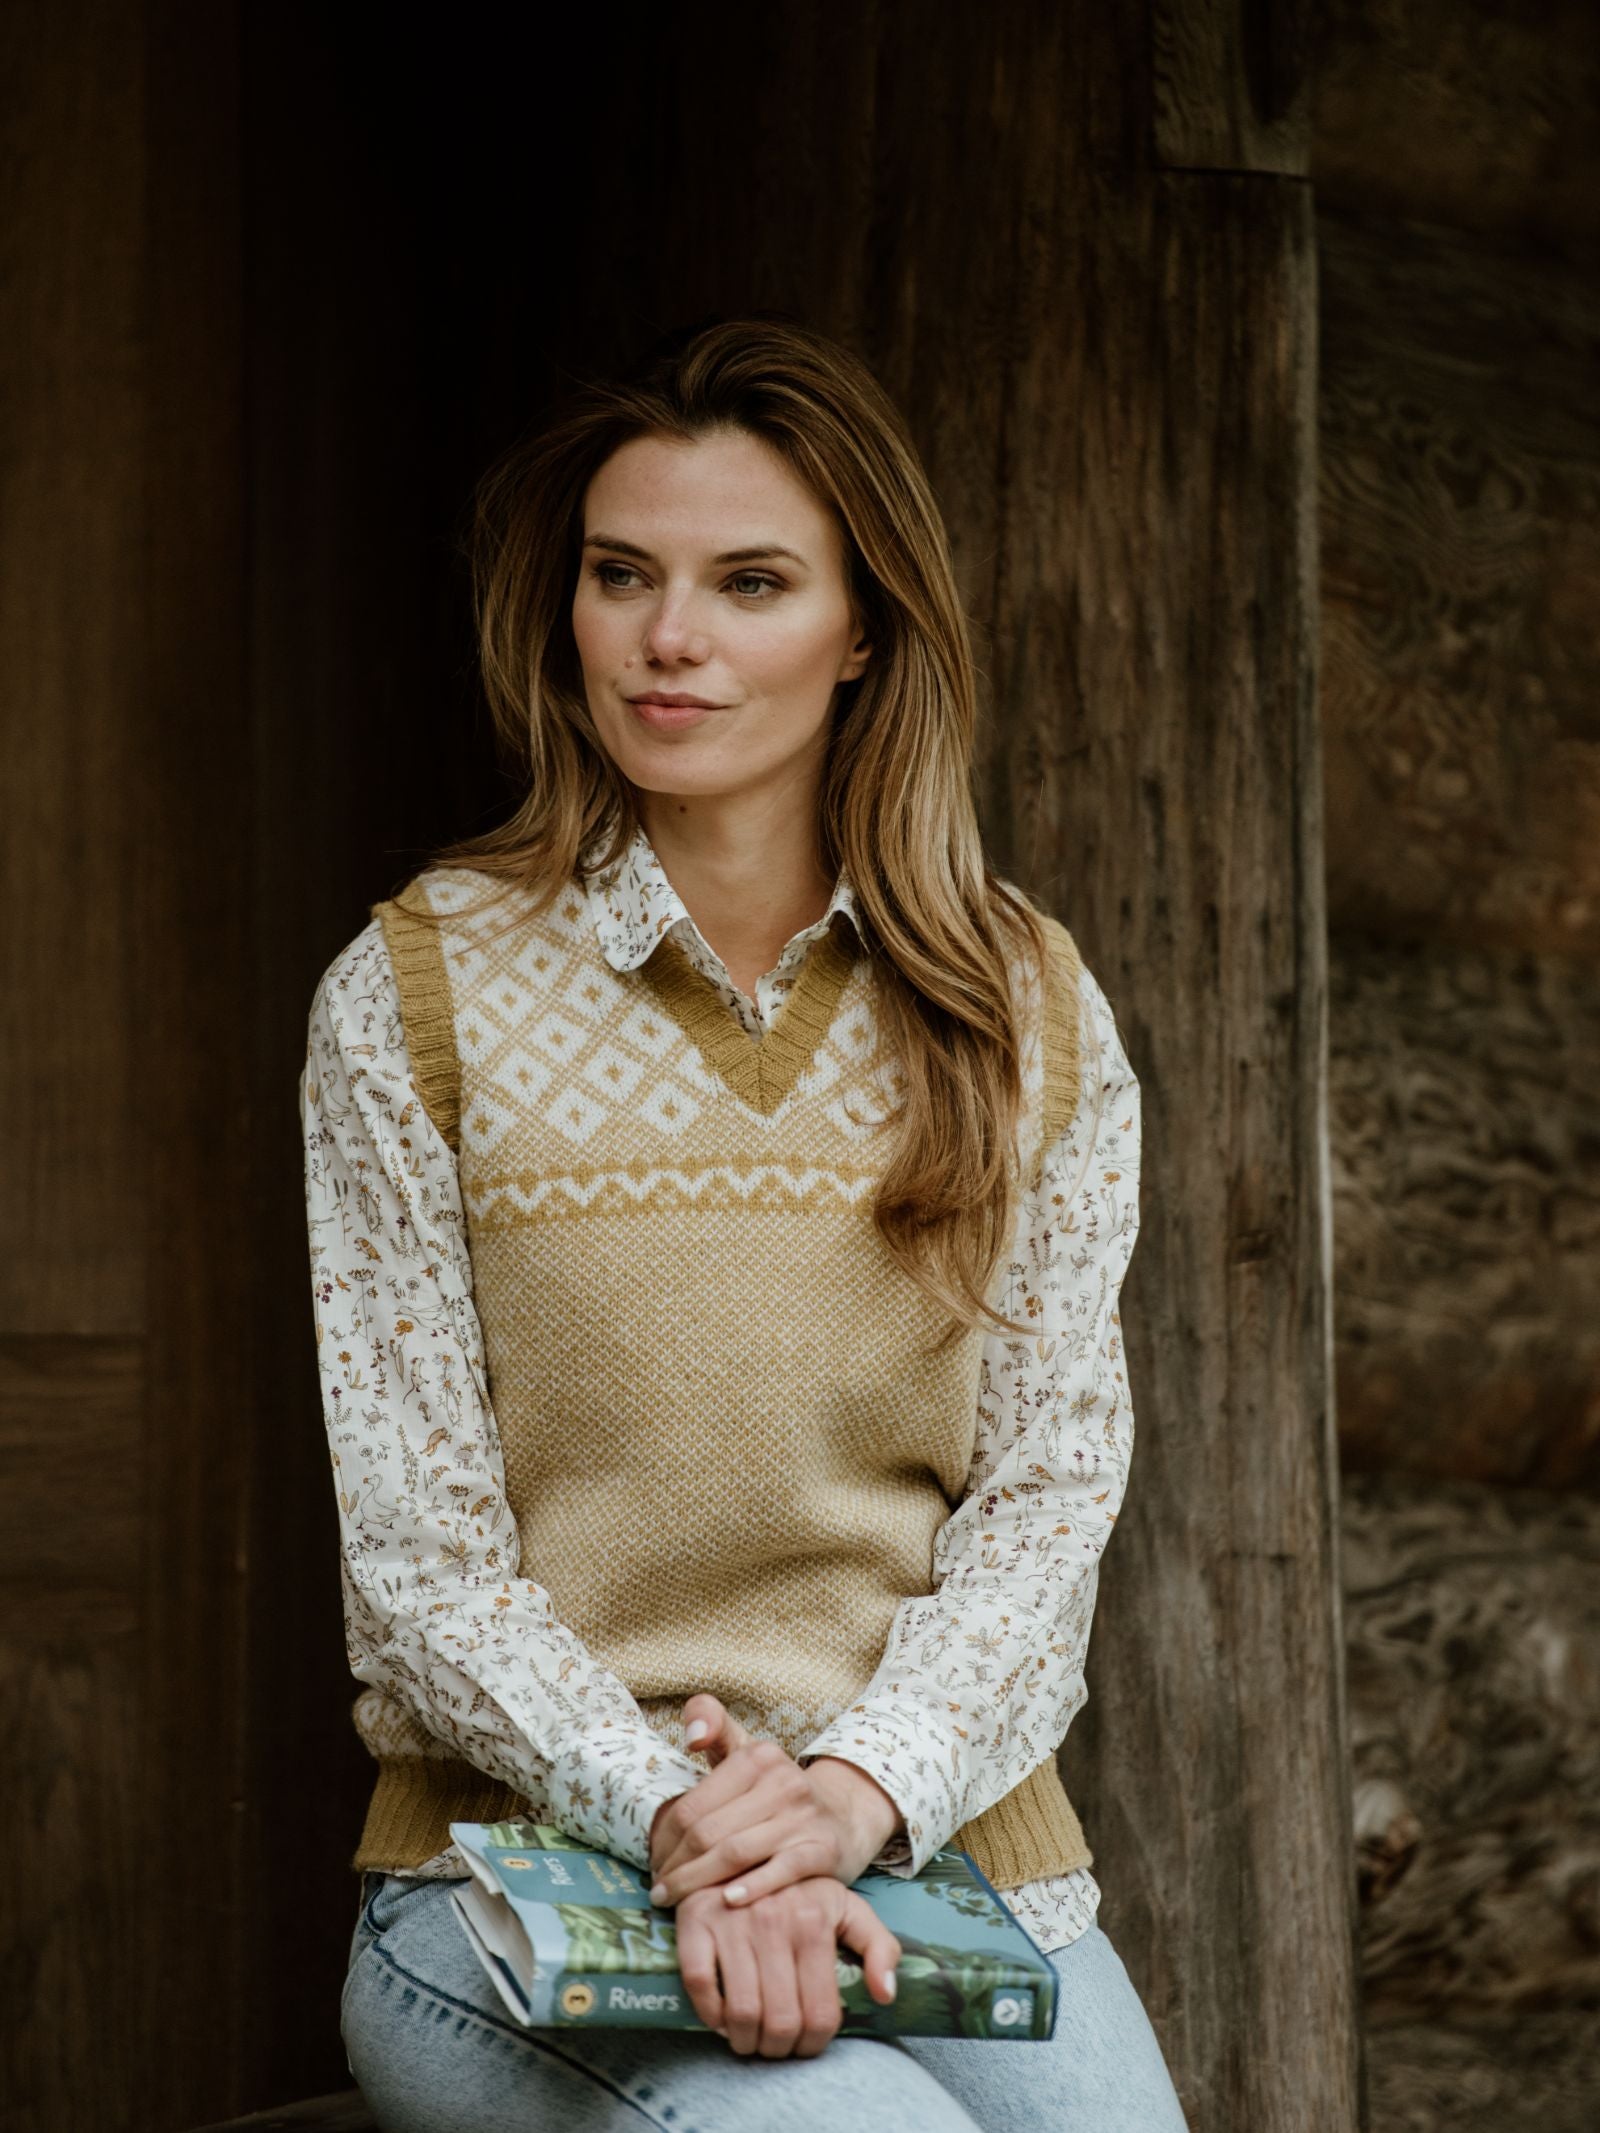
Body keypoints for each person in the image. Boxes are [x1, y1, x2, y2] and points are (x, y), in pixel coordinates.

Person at [301, 313, 1187, 2131]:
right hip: (519, 1868)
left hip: (936, 1840)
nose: (668, 638)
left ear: (864, 627)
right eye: (623, 576)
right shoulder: (414, 996)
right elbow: (420, 1567)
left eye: (750, 580)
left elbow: (1049, 1492)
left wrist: (852, 1791)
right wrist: (689, 1816)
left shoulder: (1024, 1006)